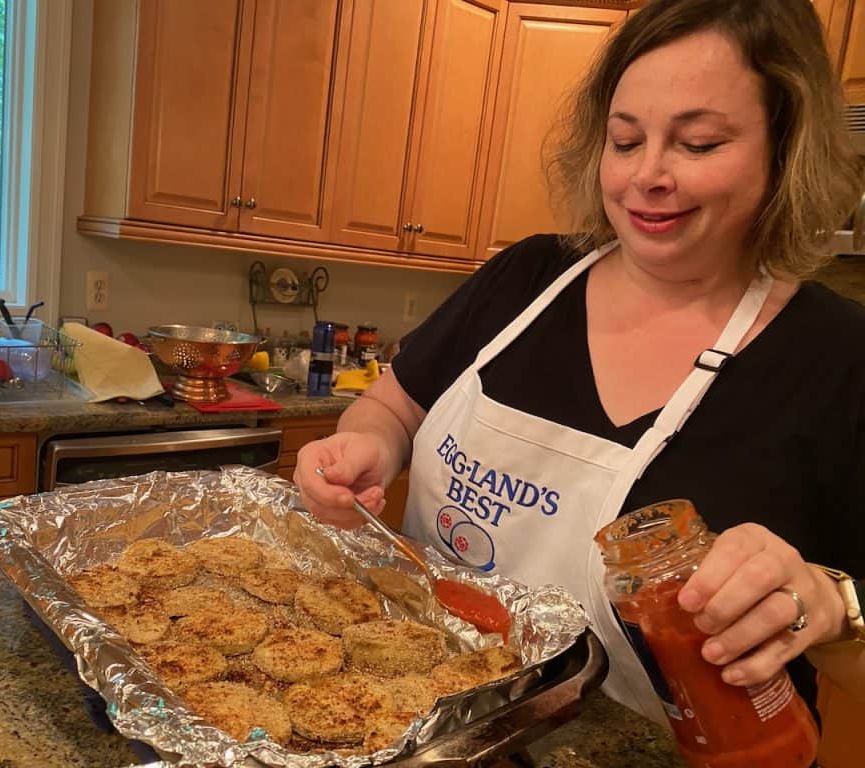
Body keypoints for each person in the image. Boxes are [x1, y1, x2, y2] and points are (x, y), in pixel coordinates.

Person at [295, 0, 865, 729]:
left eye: (698, 143)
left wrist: (829, 609)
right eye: (626, 141)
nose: (648, 175)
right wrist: (367, 446)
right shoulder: (528, 277)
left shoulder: (839, 359)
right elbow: (392, 407)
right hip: (422, 724)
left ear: (784, 149)